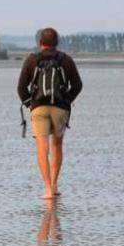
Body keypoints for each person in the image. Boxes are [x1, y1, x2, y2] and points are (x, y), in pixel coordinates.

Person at [17, 27, 83, 200]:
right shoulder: (66, 60)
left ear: (40, 43)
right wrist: (67, 100)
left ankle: (47, 189)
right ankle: (54, 185)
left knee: (42, 148)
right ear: (57, 42)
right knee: (57, 146)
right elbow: (77, 85)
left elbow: (21, 87)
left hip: (38, 107)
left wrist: (29, 104)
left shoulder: (32, 60)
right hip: (60, 107)